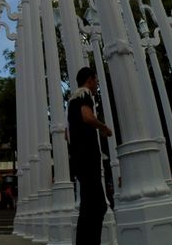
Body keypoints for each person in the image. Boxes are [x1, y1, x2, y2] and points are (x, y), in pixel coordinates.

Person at [67, 66, 112, 244]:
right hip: (88, 158)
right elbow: (87, 117)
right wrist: (104, 128)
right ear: (90, 80)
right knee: (98, 205)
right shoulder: (85, 94)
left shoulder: (71, 101)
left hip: (79, 159)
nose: (97, 83)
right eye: (96, 79)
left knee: (88, 205)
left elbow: (66, 134)